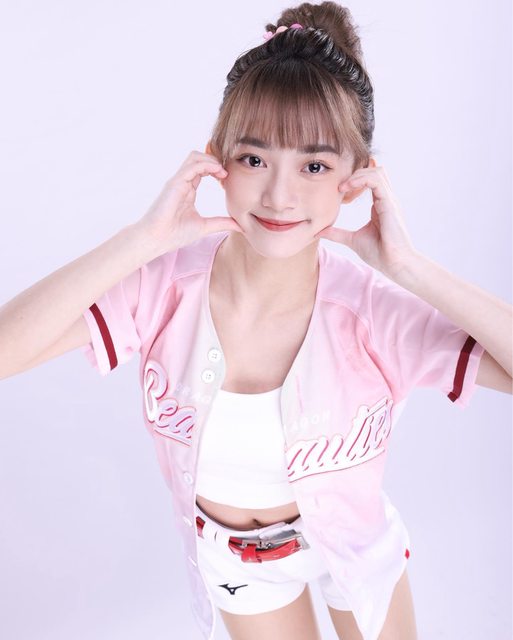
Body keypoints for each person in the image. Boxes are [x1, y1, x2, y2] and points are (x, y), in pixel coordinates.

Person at [0, 2, 511, 639]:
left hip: (352, 547)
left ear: (357, 180)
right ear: (216, 159)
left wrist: (410, 269)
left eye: (315, 166)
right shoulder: (164, 288)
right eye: (253, 159)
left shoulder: (374, 312)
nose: (279, 195)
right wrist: (140, 240)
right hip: (236, 563)